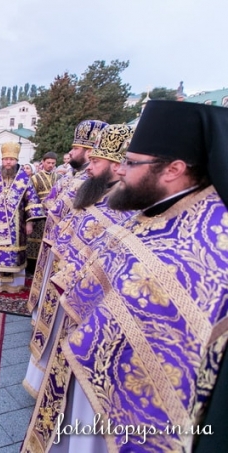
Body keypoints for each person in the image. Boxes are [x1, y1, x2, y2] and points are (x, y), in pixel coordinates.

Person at [22, 101, 228, 451]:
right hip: (89, 368)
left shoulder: (213, 234)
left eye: (131, 163)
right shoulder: (152, 211)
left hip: (136, 406)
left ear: (173, 169)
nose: (121, 172)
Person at [23, 124, 135, 399]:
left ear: (116, 165)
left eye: (96, 161)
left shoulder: (127, 202)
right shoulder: (92, 189)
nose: (89, 167)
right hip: (66, 278)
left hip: (93, 297)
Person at [26, 120, 108, 319]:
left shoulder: (89, 181)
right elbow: (52, 202)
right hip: (56, 242)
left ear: (89, 151)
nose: (70, 153)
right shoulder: (71, 175)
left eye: (76, 148)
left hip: (72, 254)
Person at [0, 142, 45, 293]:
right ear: (2, 160)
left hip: (16, 226)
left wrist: (30, 223)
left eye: (11, 159)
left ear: (16, 160)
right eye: (6, 159)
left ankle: (12, 286)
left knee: (12, 254)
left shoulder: (24, 179)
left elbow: (32, 201)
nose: (8, 162)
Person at [26, 152, 59, 273]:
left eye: (53, 163)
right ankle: (32, 268)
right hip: (39, 215)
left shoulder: (59, 178)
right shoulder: (34, 178)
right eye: (48, 162)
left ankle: (47, 266)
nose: (50, 165)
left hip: (54, 215)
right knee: (36, 240)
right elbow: (30, 197)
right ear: (43, 162)